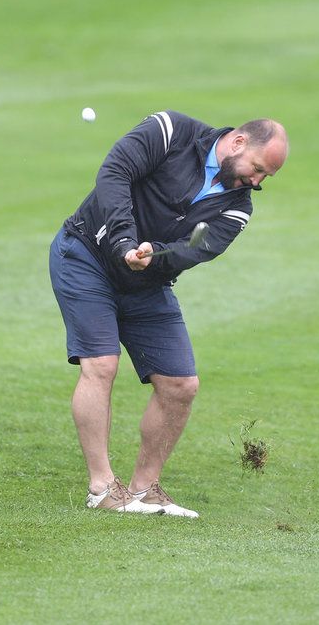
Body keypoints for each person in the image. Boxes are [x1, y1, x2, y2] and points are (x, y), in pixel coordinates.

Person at [48, 110, 288, 517]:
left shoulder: (238, 208)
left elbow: (196, 249)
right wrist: (125, 240)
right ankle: (102, 487)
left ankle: (143, 489)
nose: (256, 182)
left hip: (145, 282)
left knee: (181, 385)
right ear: (238, 143)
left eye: (266, 178)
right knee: (102, 365)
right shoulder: (171, 131)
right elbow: (115, 172)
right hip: (85, 254)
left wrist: (151, 255)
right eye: (257, 170)